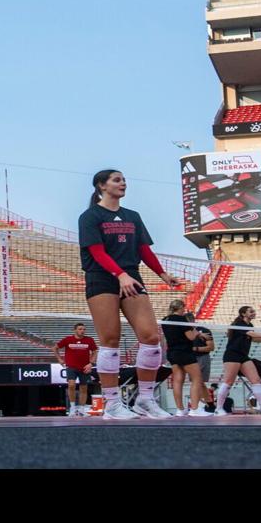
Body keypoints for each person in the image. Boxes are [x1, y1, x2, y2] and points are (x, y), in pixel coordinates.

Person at [79, 169, 181, 420]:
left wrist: (162, 274)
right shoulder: (90, 216)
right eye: (116, 179)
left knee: (150, 336)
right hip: (102, 277)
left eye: (124, 179)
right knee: (110, 340)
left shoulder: (132, 216)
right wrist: (119, 275)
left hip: (131, 275)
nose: (123, 183)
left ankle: (145, 400)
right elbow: (97, 252)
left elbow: (144, 250)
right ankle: (112, 405)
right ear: (101, 186)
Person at [211, 305, 261, 417]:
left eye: (253, 311)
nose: (253, 313)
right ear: (243, 314)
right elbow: (252, 334)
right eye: (251, 311)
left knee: (256, 380)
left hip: (243, 356)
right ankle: (218, 409)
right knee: (229, 382)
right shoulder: (239, 324)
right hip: (232, 355)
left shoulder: (249, 325)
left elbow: (255, 339)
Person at [161, 298, 210, 417]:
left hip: (172, 352)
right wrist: (198, 333)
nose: (184, 310)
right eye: (183, 307)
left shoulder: (165, 320)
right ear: (180, 308)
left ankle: (180, 410)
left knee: (177, 380)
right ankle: (194, 409)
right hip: (184, 352)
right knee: (197, 379)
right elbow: (191, 337)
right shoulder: (181, 319)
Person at [55, 322, 98, 416]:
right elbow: (55, 348)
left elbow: (95, 351)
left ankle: (82, 409)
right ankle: (72, 408)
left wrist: (91, 363)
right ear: (75, 330)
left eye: (83, 329)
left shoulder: (89, 340)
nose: (82, 331)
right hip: (71, 367)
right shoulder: (68, 339)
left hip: (84, 368)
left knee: (83, 388)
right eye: (80, 329)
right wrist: (59, 359)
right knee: (71, 385)